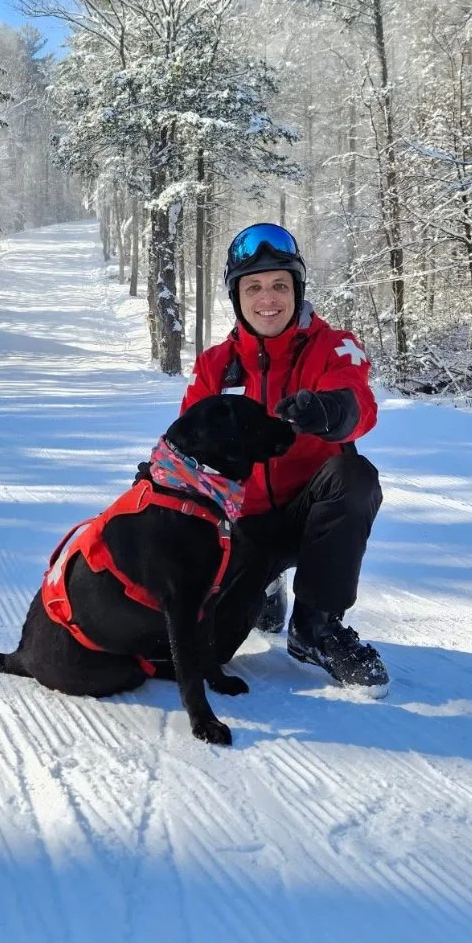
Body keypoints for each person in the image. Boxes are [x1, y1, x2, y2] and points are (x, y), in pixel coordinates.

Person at [180, 222, 388, 688]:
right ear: (237, 297)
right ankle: (265, 585)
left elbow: (359, 404)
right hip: (244, 525)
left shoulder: (334, 346)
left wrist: (328, 410)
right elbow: (190, 453)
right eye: (253, 287)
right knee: (207, 650)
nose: (267, 298)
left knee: (353, 476)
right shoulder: (214, 365)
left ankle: (316, 625)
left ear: (297, 290)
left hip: (311, 513)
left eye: (279, 284)